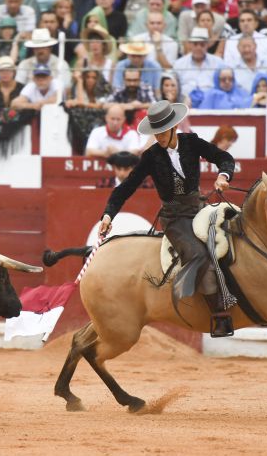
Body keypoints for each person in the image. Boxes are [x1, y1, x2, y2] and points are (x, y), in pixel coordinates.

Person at [98, 100, 237, 337]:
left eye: (162, 131)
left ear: (174, 127)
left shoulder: (192, 142)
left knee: (236, 232)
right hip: (175, 218)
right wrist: (108, 214)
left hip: (199, 207)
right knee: (197, 254)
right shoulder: (151, 156)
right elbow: (126, 187)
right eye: (156, 132)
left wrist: (223, 176)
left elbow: (224, 157)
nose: (159, 137)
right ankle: (219, 315)